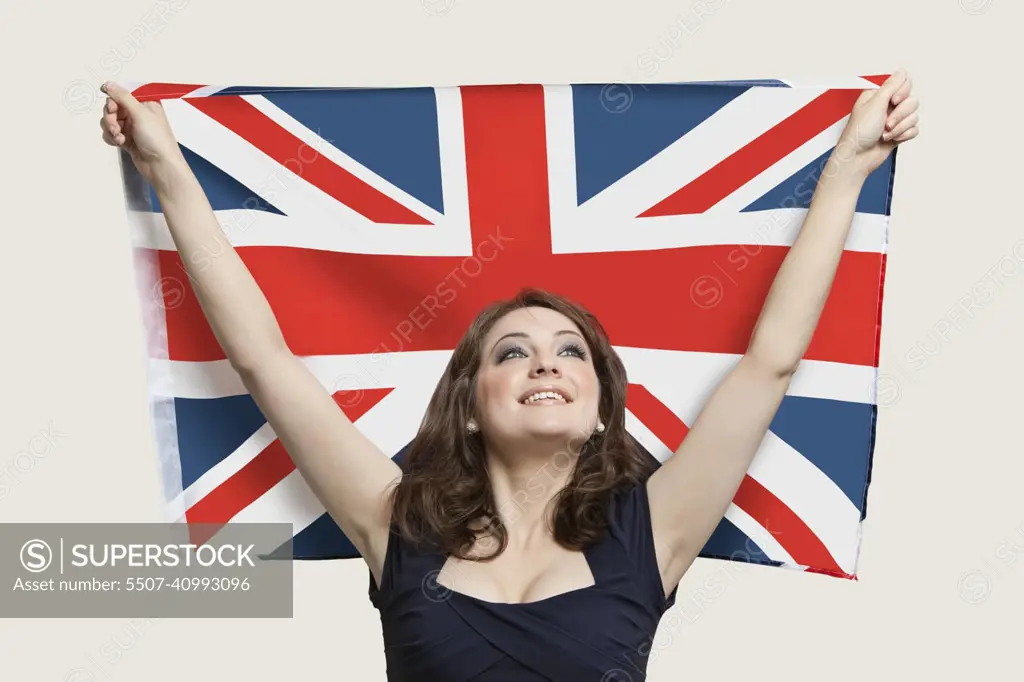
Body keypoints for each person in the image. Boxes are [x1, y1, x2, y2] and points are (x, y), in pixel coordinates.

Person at [98, 72, 919, 681]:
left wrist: (847, 169)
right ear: (468, 407)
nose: (545, 364)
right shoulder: (397, 529)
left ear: (601, 408)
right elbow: (265, 361)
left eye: (570, 352)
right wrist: (167, 167)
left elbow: (769, 361)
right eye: (512, 351)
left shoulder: (652, 530)